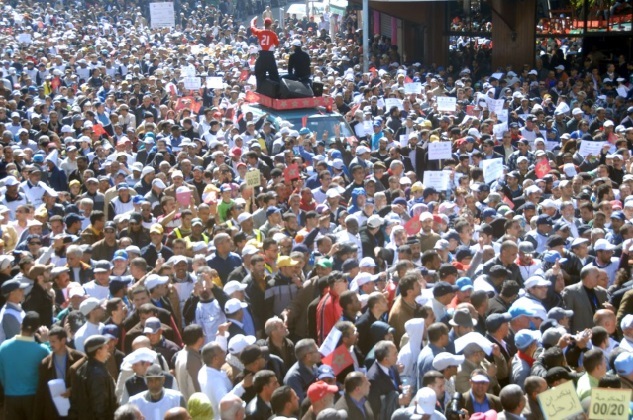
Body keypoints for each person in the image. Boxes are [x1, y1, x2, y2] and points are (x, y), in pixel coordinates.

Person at [0, 311, 50, 419]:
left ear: (21, 325)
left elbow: (2, 374)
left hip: (10, 397)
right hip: (33, 398)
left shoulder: (3, 347)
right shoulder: (42, 350)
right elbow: (52, 364)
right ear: (37, 329)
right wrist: (46, 342)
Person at [35, 326, 86, 420]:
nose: (50, 344)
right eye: (49, 341)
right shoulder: (45, 364)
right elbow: (41, 392)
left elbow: (86, 382)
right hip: (53, 411)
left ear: (63, 340)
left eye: (53, 341)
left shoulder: (79, 358)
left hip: (75, 409)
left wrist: (72, 390)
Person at [68, 335, 119, 420]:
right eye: (105, 346)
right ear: (98, 351)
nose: (108, 348)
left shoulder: (82, 368)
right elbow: (99, 408)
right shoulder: (97, 375)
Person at [250, 16, 280, 90]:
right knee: (274, 75)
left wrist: (253, 20)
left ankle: (260, 90)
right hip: (270, 56)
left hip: (262, 56)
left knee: (259, 74)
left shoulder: (259, 32)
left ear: (264, 23)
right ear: (270, 24)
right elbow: (277, 44)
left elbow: (252, 27)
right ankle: (276, 90)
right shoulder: (273, 34)